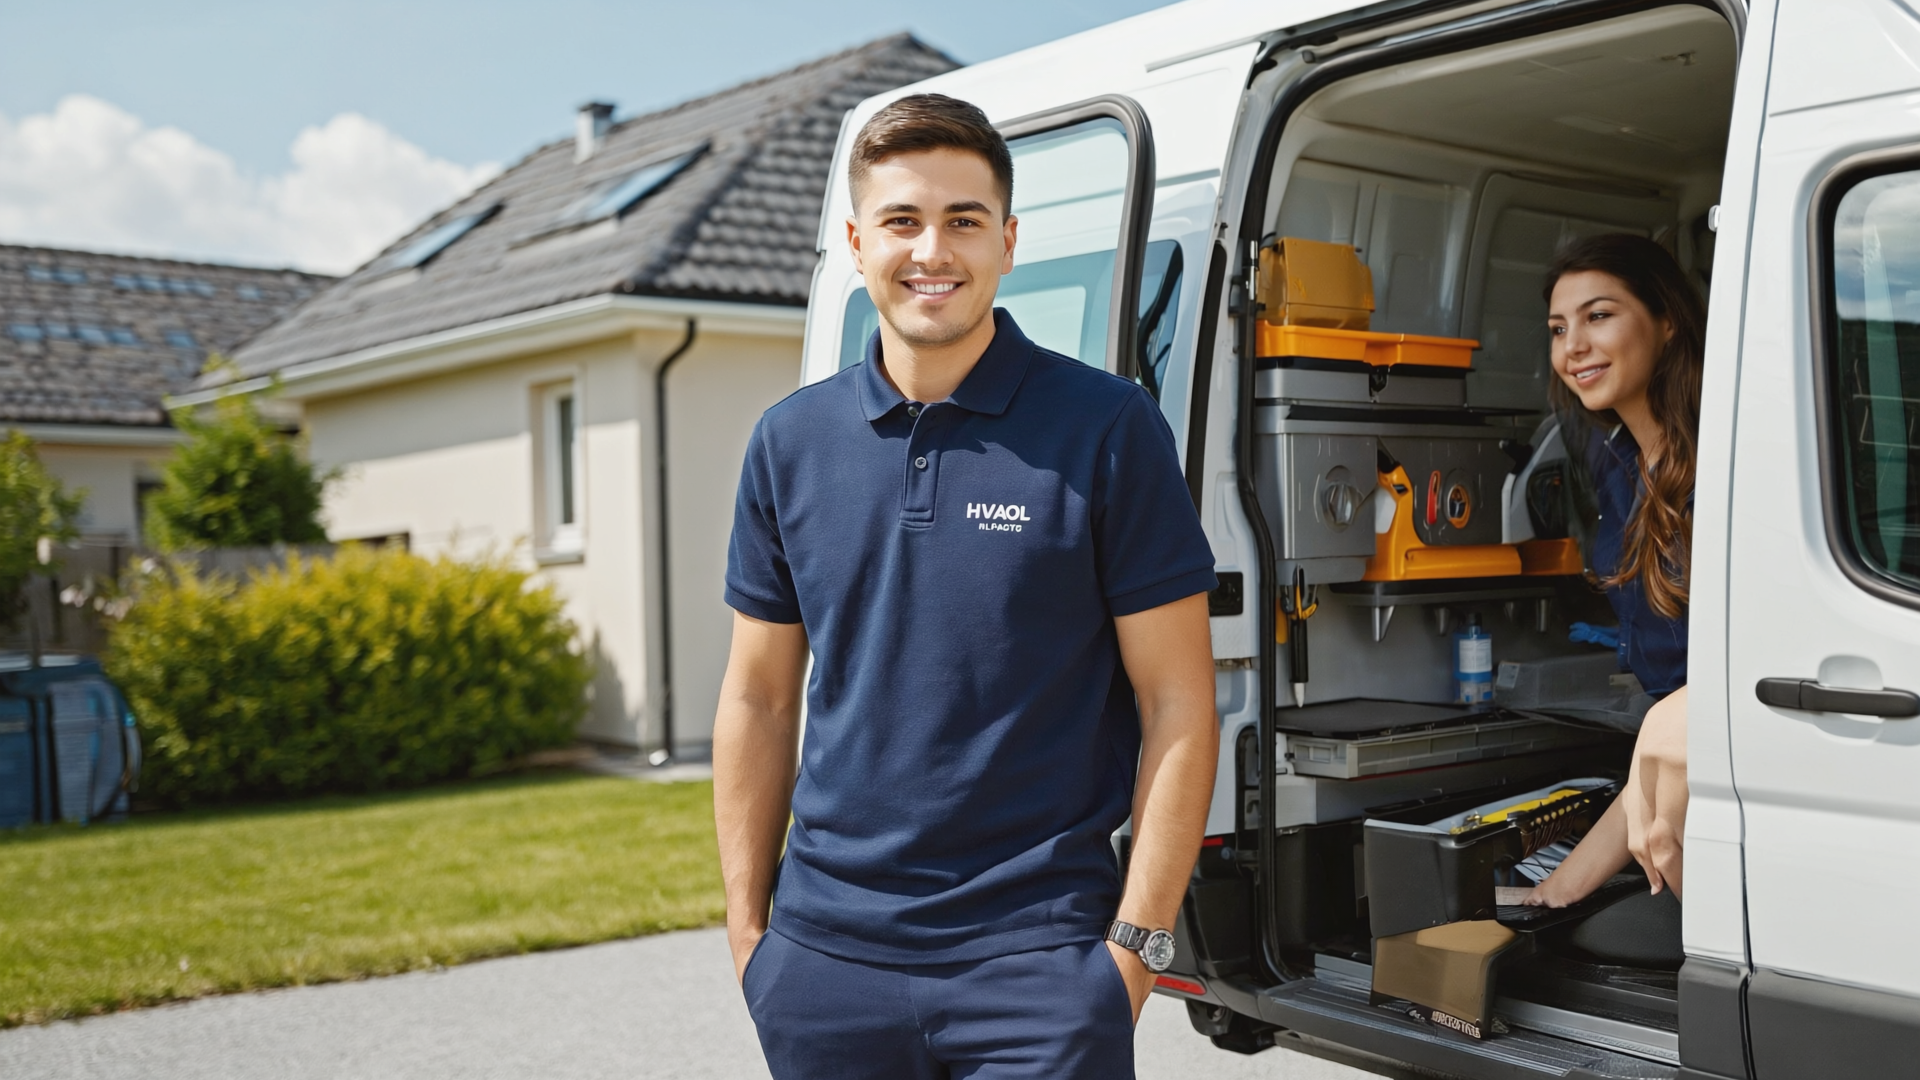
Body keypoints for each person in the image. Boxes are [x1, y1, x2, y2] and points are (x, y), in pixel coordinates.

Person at [711, 93, 1221, 1079]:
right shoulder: (788, 444)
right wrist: (751, 940)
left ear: (1009, 241)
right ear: (858, 244)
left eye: (964, 221)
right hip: (825, 964)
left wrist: (1136, 954)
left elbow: (1180, 703)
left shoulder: (1110, 431)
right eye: (902, 221)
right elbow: (759, 698)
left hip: (1041, 965)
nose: (931, 250)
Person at [1524, 233, 1703, 912]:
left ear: (1667, 320)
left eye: (1598, 316)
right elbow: (1663, 742)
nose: (1572, 347)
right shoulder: (1617, 465)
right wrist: (1553, 893)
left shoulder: (1734, 457)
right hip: (1679, 782)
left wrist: (1689, 708)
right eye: (1558, 328)